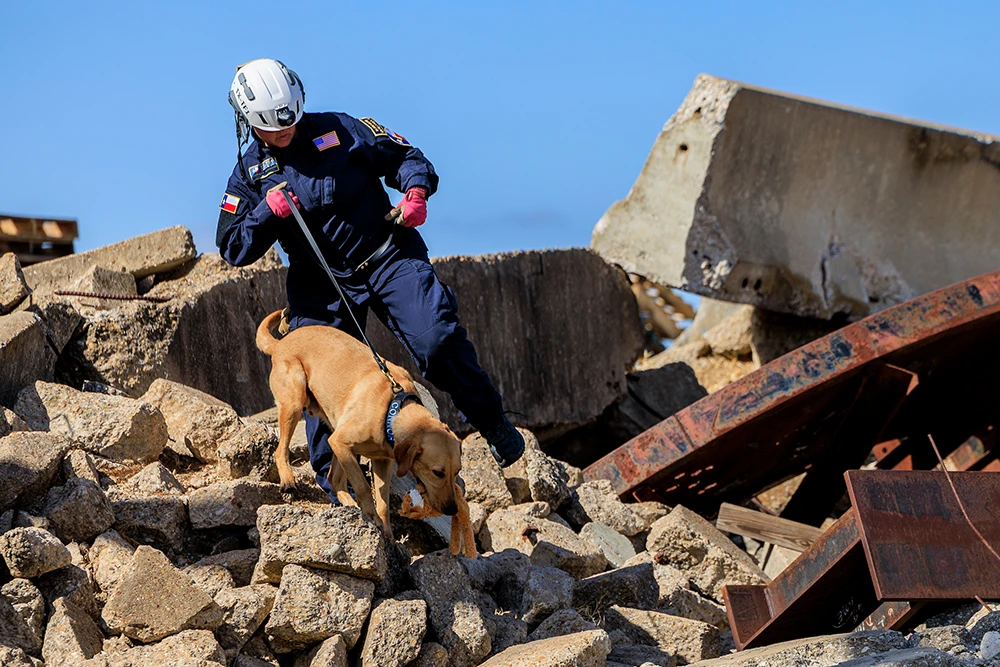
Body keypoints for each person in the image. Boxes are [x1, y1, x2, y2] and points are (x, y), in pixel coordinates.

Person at [216, 58, 524, 500]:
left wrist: (416, 192)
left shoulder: (341, 128)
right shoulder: (249, 174)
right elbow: (232, 245)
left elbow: (407, 157)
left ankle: (495, 427)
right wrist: (267, 213)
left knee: (436, 338)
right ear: (248, 121)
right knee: (320, 383)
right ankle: (337, 490)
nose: (285, 133)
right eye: (272, 130)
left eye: (290, 122)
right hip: (320, 284)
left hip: (387, 256)